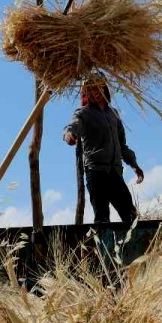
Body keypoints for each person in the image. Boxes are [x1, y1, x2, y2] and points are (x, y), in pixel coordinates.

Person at [62, 76, 145, 224]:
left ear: (104, 89)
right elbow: (72, 127)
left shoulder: (114, 114)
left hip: (114, 172)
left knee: (131, 216)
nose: (95, 91)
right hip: (96, 172)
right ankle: (103, 246)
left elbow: (122, 145)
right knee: (102, 217)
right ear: (86, 93)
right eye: (90, 89)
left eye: (98, 87)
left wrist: (134, 164)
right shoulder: (83, 113)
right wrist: (69, 135)